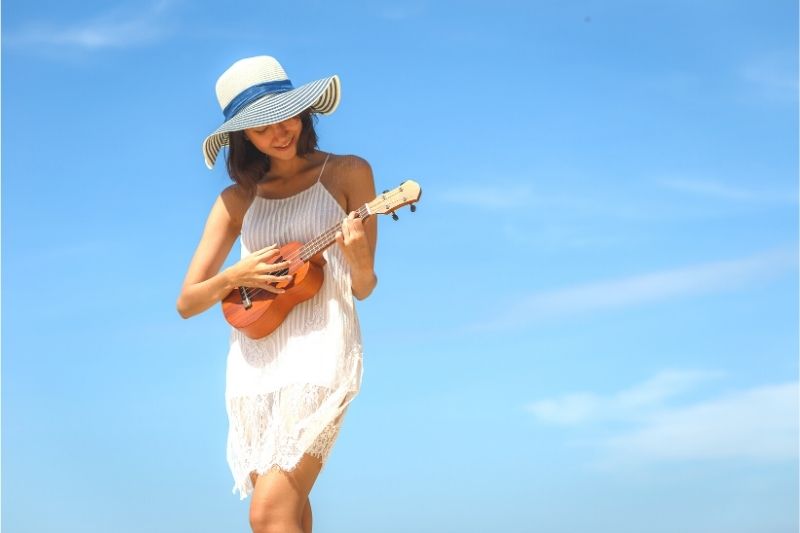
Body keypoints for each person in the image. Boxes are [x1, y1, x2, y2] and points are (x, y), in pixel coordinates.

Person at [176, 55, 377, 533]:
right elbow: (187, 302)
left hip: (321, 353)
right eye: (261, 127)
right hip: (254, 366)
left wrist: (360, 259)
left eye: (286, 114)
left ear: (302, 110)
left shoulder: (349, 172)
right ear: (243, 136)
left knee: (267, 513)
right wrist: (235, 274)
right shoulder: (236, 200)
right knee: (291, 514)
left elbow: (364, 287)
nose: (280, 131)